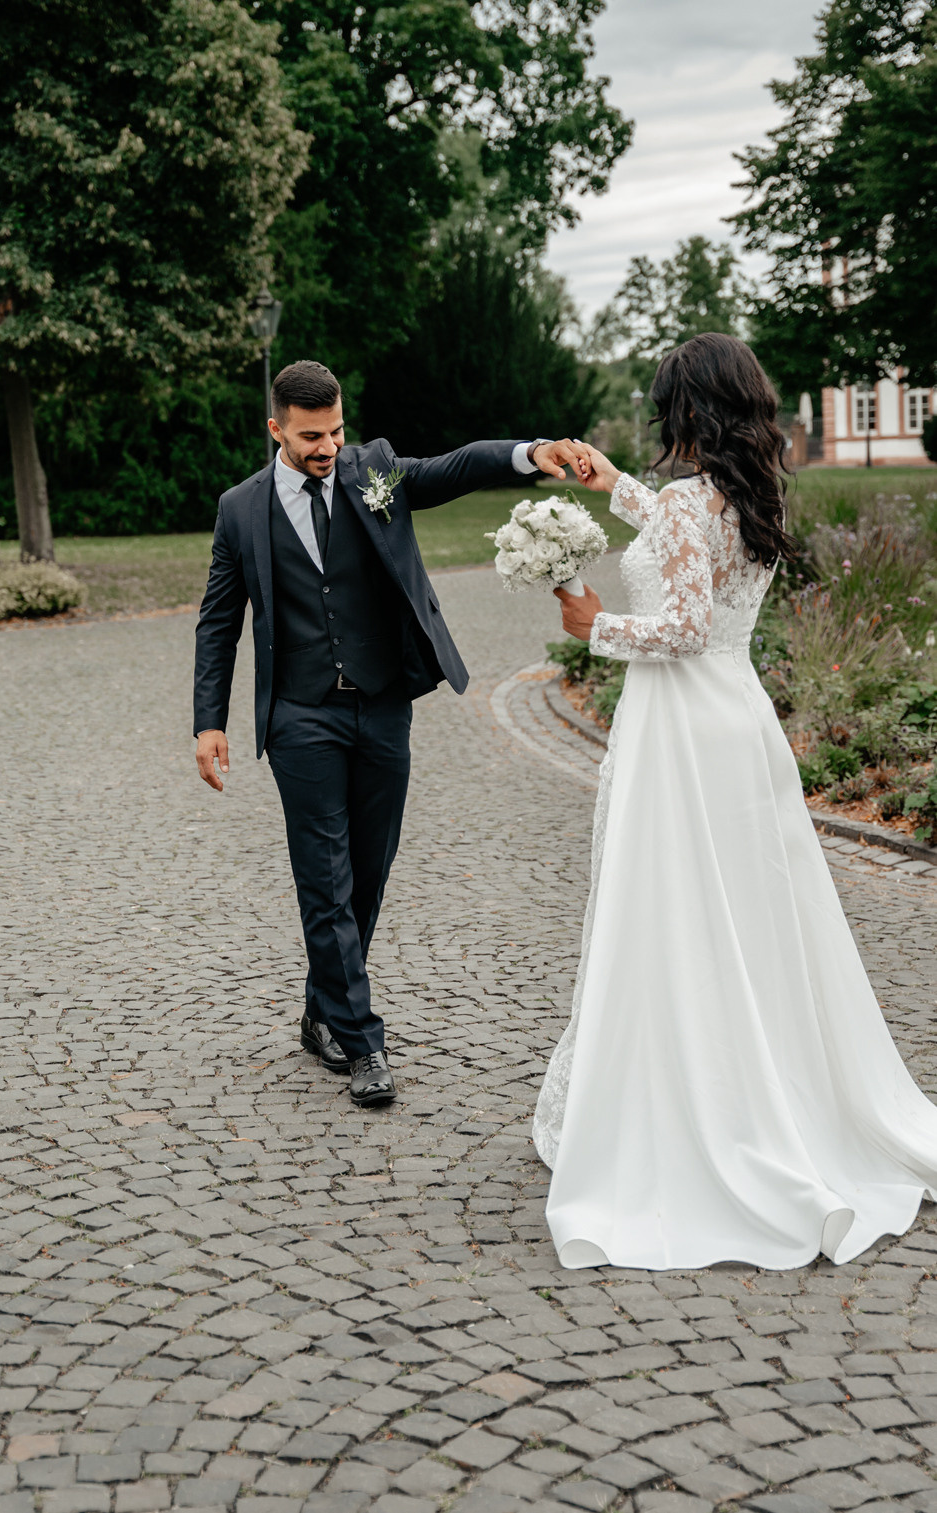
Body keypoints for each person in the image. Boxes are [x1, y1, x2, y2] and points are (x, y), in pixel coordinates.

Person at [536, 332, 937, 1269]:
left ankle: (686, 1113)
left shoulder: (686, 504)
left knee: (670, 910)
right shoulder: (744, 495)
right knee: (753, 914)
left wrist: (596, 627)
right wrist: (612, 487)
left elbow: (676, 624)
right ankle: (783, 1087)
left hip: (678, 730)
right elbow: (698, 570)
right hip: (738, 719)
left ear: (685, 407)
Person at [194, 358, 581, 1107]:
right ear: (275, 429)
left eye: (335, 429)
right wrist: (209, 720)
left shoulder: (372, 471)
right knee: (325, 879)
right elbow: (218, 621)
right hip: (299, 716)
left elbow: (454, 466)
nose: (327, 446)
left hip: (380, 707)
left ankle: (322, 1009)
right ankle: (364, 1041)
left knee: (367, 871)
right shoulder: (239, 509)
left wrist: (527, 453)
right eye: (310, 436)